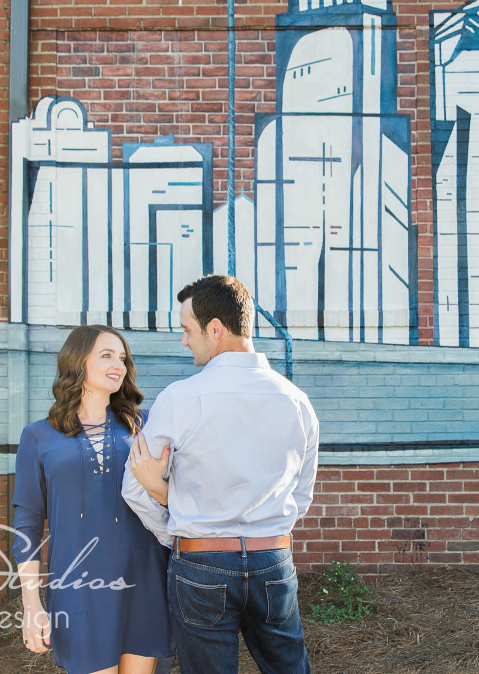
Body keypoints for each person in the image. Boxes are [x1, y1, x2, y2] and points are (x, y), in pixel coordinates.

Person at [122, 274, 319, 674]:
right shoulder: (297, 401)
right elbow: (301, 496)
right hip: (273, 560)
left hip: (201, 564)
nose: (184, 341)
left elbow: (135, 485)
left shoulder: (180, 398)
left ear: (215, 329)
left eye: (186, 330)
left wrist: (177, 530)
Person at [12, 324, 174, 674]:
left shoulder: (146, 426)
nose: (118, 364)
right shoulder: (38, 436)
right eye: (106, 355)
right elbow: (26, 523)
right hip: (79, 588)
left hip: (144, 580)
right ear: (78, 361)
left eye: (122, 358)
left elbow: (178, 494)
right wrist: (30, 603)